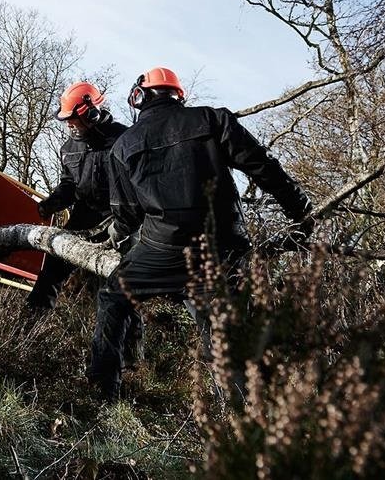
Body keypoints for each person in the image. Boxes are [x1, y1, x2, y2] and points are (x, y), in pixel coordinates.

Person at [87, 67, 314, 402]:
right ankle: (241, 417)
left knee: (113, 297)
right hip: (220, 250)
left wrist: (119, 244)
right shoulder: (212, 119)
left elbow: (127, 214)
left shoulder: (123, 145)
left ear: (140, 98)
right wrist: (301, 215)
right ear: (178, 95)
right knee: (223, 333)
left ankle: (102, 395)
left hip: (160, 249)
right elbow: (265, 168)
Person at [28, 81, 128, 310]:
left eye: (74, 120)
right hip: (86, 215)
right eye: (67, 122)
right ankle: (33, 319)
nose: (71, 127)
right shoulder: (69, 148)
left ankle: (122, 337)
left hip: (120, 217)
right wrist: (53, 202)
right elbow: (69, 184)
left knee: (115, 279)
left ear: (92, 114)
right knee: (54, 263)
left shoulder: (124, 139)